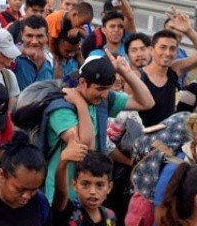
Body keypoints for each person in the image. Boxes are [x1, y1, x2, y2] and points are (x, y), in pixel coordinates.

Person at [44, 53, 154, 202]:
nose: (104, 94)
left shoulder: (101, 100)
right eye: (100, 89)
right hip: (63, 197)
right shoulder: (63, 107)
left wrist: (126, 72)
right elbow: (86, 146)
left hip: (91, 196)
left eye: (107, 89)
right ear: (82, 82)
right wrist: (81, 104)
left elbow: (146, 103)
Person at [137, 15, 197, 128]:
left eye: (172, 49)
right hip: (142, 138)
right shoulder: (138, 75)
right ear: (151, 50)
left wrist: (189, 31)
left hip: (168, 137)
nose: (168, 53)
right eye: (163, 47)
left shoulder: (174, 69)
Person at [13, 15, 53, 89]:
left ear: (47, 36)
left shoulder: (50, 60)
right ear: (22, 35)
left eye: (39, 36)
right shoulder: (13, 58)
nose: (34, 41)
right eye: (29, 36)